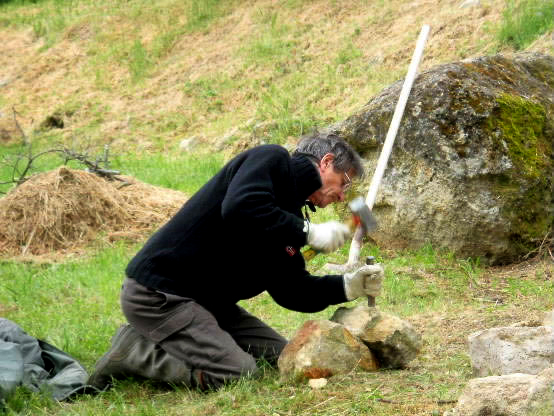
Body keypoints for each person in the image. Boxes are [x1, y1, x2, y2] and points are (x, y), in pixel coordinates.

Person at [89, 132, 384, 391]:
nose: (342, 196)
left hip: (208, 303)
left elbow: (291, 290)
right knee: (237, 372)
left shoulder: (289, 217)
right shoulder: (271, 160)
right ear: (326, 162)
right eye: (344, 183)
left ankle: (176, 336)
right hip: (161, 294)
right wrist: (309, 232)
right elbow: (241, 207)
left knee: (283, 357)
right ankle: (133, 350)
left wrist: (348, 286)